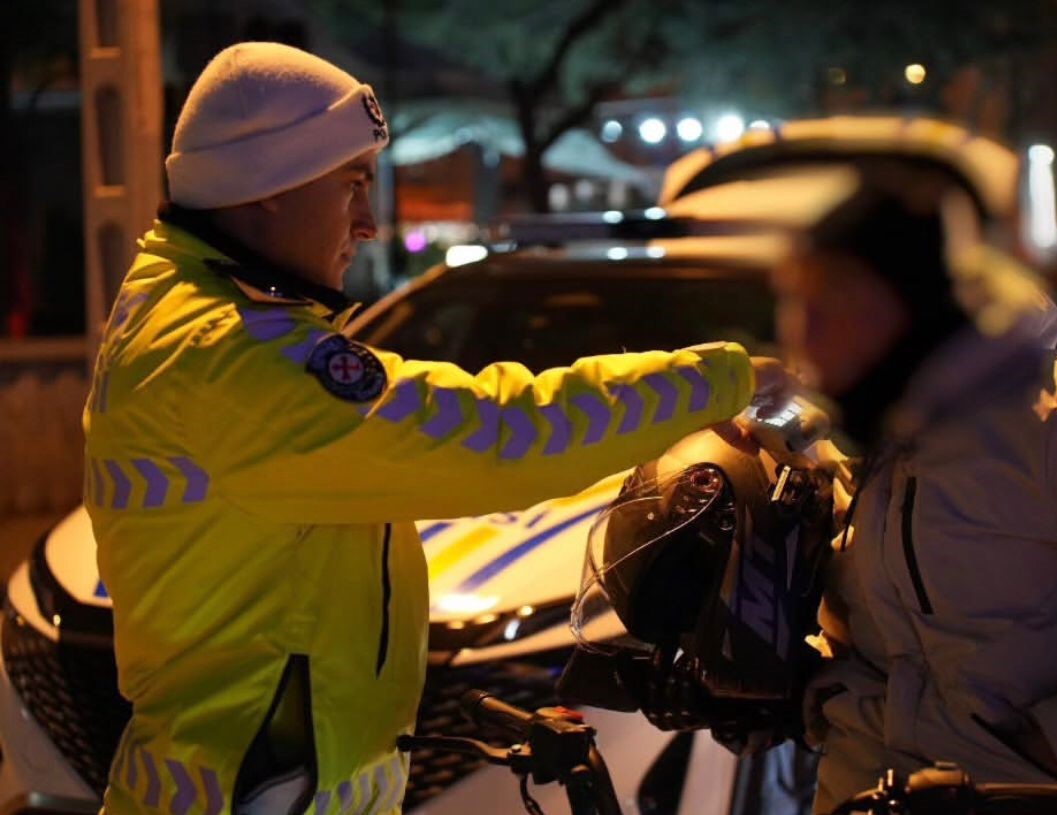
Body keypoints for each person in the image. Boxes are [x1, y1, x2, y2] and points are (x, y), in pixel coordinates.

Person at [83, 42, 785, 815]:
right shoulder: (230, 354)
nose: (370, 223)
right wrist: (724, 380)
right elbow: (499, 431)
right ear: (267, 188)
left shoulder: (189, 315)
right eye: (352, 184)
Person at [768, 161, 1057, 815]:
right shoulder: (859, 434)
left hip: (1028, 794)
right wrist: (816, 682)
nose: (803, 334)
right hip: (866, 791)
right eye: (795, 303)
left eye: (831, 303)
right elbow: (892, 635)